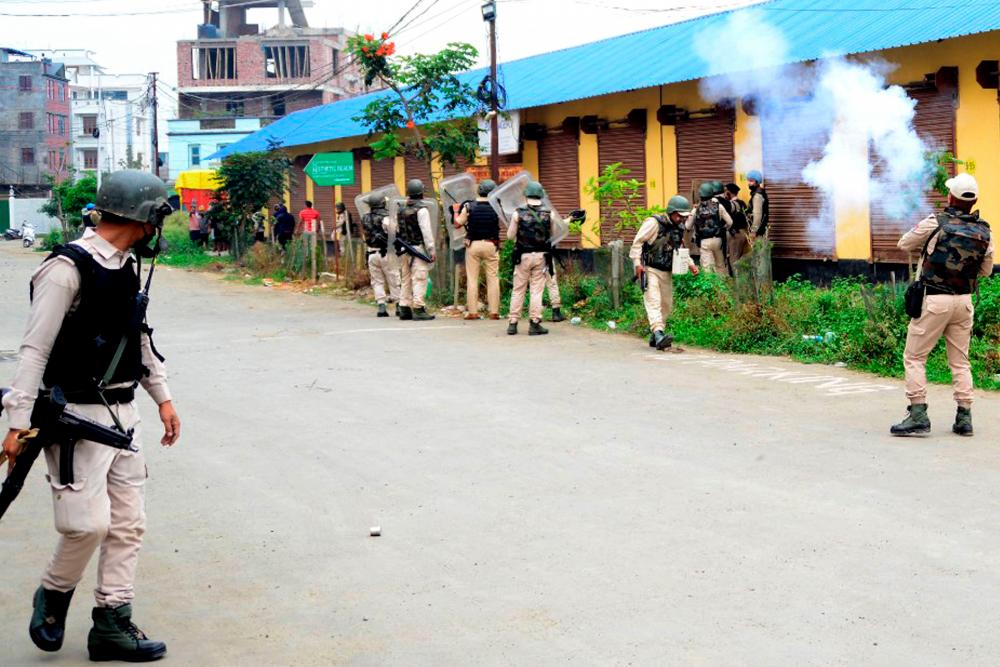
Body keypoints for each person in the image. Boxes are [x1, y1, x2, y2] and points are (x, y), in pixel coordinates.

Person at [1, 170, 180, 662]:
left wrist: (161, 396)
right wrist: (18, 421)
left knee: (127, 524)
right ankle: (54, 593)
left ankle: (112, 623)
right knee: (86, 526)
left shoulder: (125, 265)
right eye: (158, 215)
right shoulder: (64, 269)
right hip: (73, 415)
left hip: (124, 414)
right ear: (144, 217)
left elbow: (137, 335)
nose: (159, 226)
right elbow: (33, 350)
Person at [891, 173, 993, 437]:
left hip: (935, 300)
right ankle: (964, 418)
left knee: (914, 357)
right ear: (974, 201)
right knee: (960, 362)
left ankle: (918, 415)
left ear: (950, 197)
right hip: (964, 302)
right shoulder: (985, 230)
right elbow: (986, 270)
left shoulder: (936, 222)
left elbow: (904, 244)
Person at [631, 195, 699, 350]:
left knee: (666, 305)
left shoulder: (678, 228)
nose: (682, 219)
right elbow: (638, 242)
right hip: (650, 269)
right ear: (672, 212)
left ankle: (655, 334)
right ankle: (659, 332)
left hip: (666, 271)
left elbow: (680, 248)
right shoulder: (653, 223)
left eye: (684, 216)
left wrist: (690, 264)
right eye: (679, 216)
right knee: (653, 300)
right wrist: (637, 264)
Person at [507, 181, 557, 336]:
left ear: (526, 195)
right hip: (541, 257)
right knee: (536, 291)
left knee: (518, 289)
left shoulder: (517, 213)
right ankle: (534, 323)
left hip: (522, 257)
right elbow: (552, 235)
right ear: (541, 194)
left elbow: (510, 236)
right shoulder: (549, 214)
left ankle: (513, 323)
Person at [455, 179, 501, 321]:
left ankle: (473, 312)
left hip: (473, 245)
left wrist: (456, 210)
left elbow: (457, 224)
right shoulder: (497, 206)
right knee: (493, 278)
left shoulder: (468, 206)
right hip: (491, 245)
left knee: (472, 279)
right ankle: (494, 312)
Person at [395, 179, 437, 321]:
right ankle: (418, 308)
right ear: (421, 194)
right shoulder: (422, 210)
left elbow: (396, 229)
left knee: (405, 278)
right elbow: (426, 232)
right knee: (419, 278)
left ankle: (404, 308)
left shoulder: (400, 209)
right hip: (416, 249)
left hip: (403, 249)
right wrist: (431, 250)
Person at [361, 192, 401, 317]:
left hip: (371, 253)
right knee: (394, 278)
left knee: (377, 281)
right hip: (387, 253)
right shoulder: (387, 217)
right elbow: (395, 233)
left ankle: (381, 306)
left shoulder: (365, 218)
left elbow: (365, 236)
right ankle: (399, 305)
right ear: (382, 203)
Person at [686, 182, 733, 275]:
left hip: (704, 242)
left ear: (700, 195)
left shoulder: (696, 209)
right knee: (720, 265)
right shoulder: (719, 206)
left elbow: (687, 226)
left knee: (707, 268)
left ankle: (711, 288)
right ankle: (722, 287)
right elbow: (730, 222)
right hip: (718, 240)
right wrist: (723, 228)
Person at [724, 183, 752, 265]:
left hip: (736, 234)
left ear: (729, 192)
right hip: (744, 233)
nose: (724, 194)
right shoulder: (742, 203)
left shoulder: (731, 205)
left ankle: (736, 278)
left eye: (726, 192)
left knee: (734, 260)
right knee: (740, 259)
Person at [746, 169, 769, 241]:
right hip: (760, 230)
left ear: (757, 182)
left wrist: (754, 230)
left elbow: (757, 215)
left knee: (758, 251)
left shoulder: (757, 196)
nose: (749, 183)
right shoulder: (758, 193)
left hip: (758, 233)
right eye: (748, 180)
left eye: (751, 181)